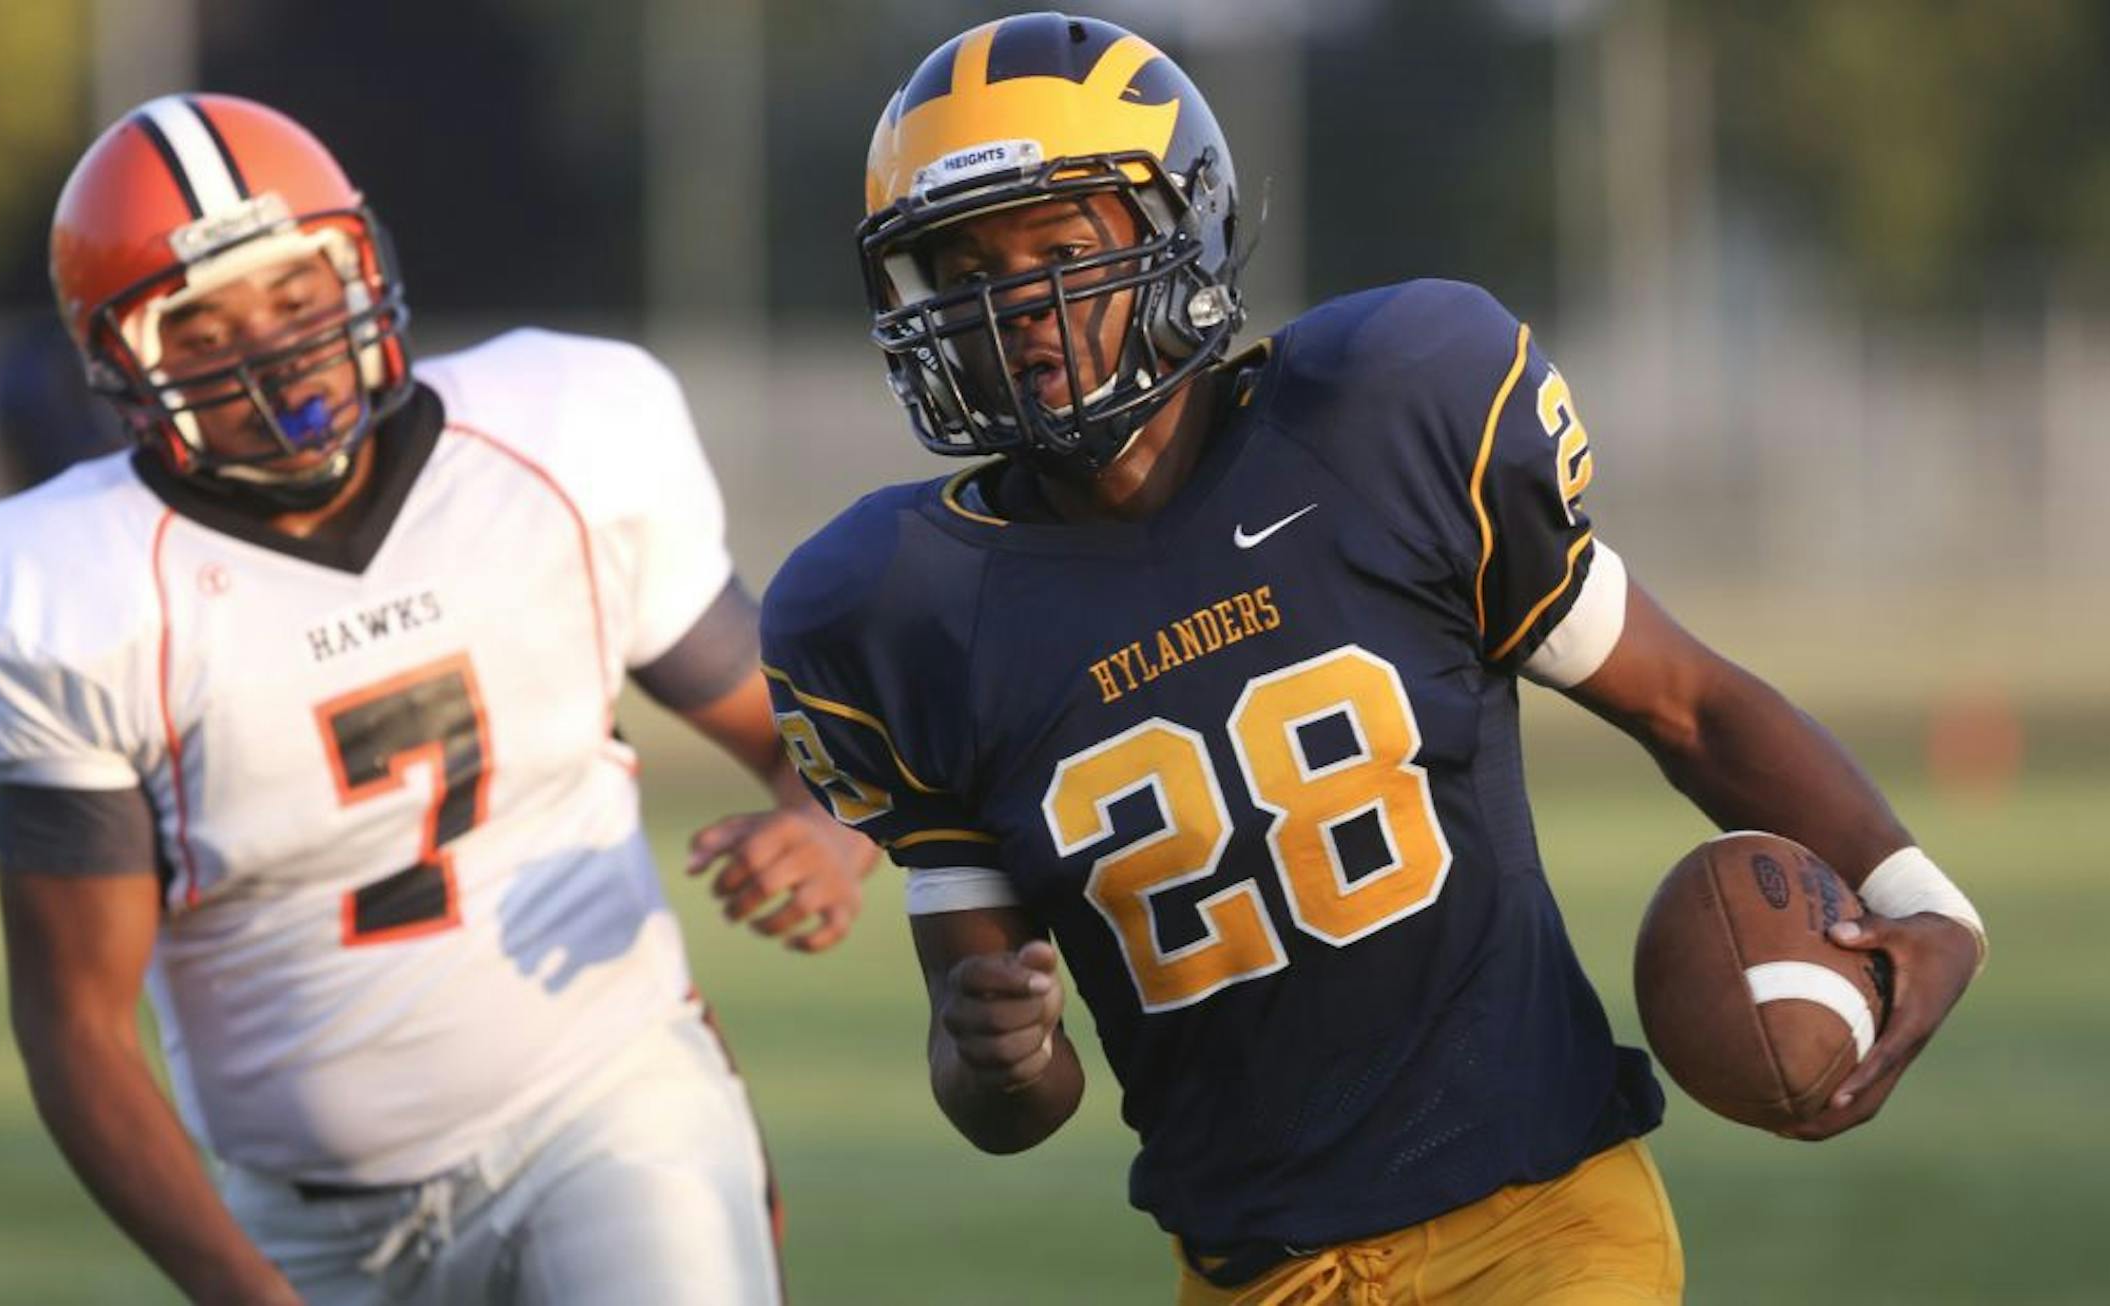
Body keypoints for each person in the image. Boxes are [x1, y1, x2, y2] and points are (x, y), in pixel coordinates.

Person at [759, 14, 1986, 1305]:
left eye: (1060, 251)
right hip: (1252, 1274)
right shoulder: (902, 612)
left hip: (1546, 1227)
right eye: (964, 267)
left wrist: (1923, 898)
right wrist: (996, 1055)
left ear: (1186, 229)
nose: (1014, 309)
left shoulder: (1382, 420)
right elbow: (1009, 1099)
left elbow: (1690, 707)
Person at [0, 94, 875, 1305]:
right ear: (120, 363)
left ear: (362, 267)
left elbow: (808, 740)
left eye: (298, 298)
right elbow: (77, 1030)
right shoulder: (66, 590)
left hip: (608, 1105)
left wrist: (828, 829)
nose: (271, 351)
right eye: (203, 328)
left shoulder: (560, 436)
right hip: (304, 1217)